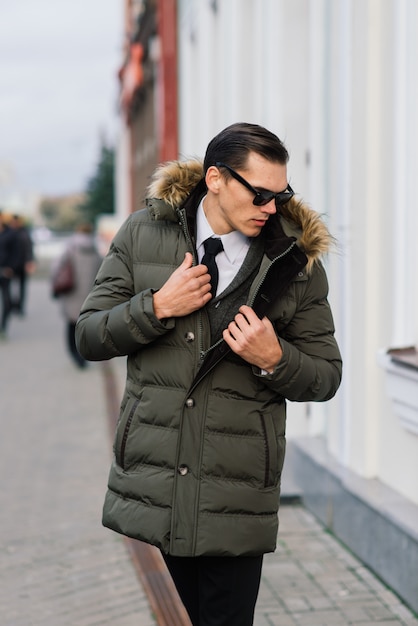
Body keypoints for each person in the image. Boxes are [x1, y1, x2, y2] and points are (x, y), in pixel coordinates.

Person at [75, 122, 342, 625]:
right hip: (162, 482)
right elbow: (89, 335)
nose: (272, 207)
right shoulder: (144, 233)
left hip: (236, 490)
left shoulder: (295, 262)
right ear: (216, 179)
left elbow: (327, 376)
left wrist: (274, 357)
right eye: (260, 193)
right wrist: (155, 306)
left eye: (281, 194)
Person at [53, 222, 102, 368]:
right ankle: (82, 355)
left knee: (71, 325)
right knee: (85, 326)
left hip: (71, 293)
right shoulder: (95, 249)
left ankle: (74, 354)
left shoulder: (71, 247)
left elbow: (57, 267)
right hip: (89, 295)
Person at [9, 214, 36, 316]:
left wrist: (30, 261)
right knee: (11, 288)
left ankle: (20, 307)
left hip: (23, 265)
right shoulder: (9, 233)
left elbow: (29, 248)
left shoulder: (24, 233)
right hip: (11, 265)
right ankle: (11, 306)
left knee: (22, 288)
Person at [0, 211, 19, 338]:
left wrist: (11, 268)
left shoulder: (10, 233)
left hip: (5, 272)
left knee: (7, 301)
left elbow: (16, 253)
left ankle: (3, 329)